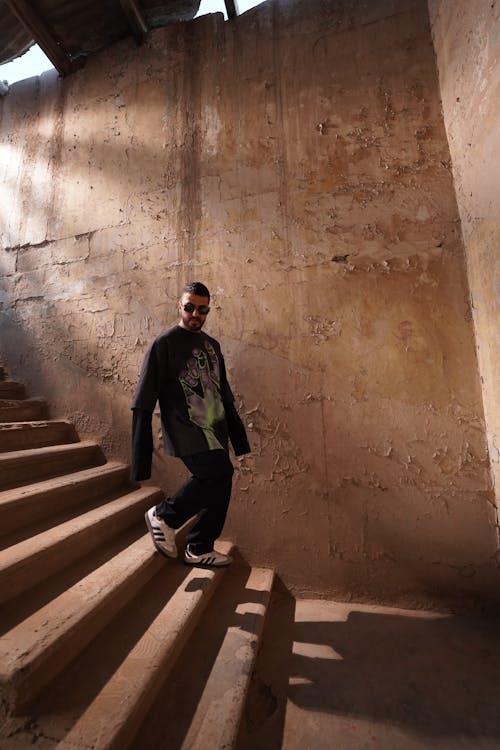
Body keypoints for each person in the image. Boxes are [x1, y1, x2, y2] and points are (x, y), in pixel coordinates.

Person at [131, 281, 250, 567]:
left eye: (202, 309)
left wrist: (237, 437)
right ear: (179, 305)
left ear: (208, 309)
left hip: (215, 429)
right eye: (189, 307)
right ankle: (163, 516)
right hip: (185, 428)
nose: (195, 313)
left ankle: (199, 546)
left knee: (221, 481)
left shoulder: (212, 345)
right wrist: (140, 459)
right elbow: (144, 399)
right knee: (218, 473)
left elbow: (224, 392)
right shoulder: (165, 343)